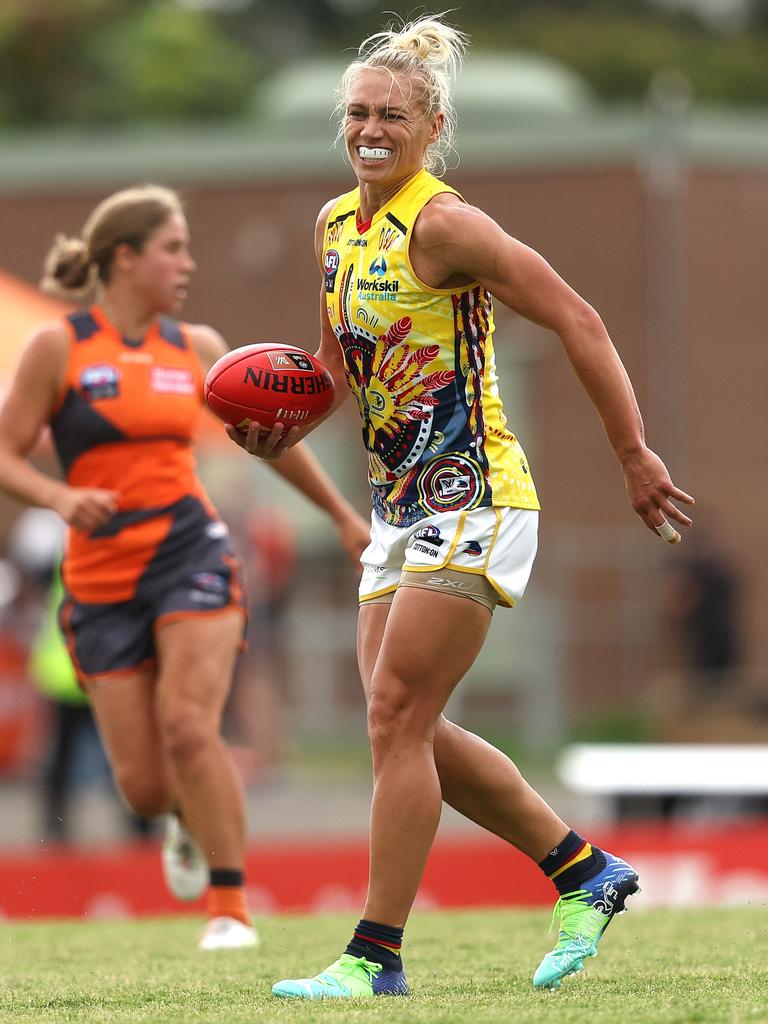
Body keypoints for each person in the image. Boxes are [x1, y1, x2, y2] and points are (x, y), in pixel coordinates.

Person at [228, 14, 695, 994]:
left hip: (474, 491)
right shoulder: (334, 226)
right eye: (356, 111)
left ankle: (374, 956)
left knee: (399, 712)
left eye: (391, 113)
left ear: (430, 123)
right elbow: (333, 365)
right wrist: (286, 422)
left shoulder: (446, 224)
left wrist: (633, 453)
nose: (369, 127)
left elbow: (579, 317)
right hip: (398, 502)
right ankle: (585, 870)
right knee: (402, 726)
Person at [0, 184, 370, 950]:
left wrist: (340, 514)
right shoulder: (60, 347)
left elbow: (269, 440)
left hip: (188, 551)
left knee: (191, 726)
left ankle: (229, 908)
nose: (188, 263)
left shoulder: (198, 348)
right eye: (174, 248)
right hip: (100, 579)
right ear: (127, 258)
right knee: (139, 783)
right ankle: (178, 817)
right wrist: (59, 496)